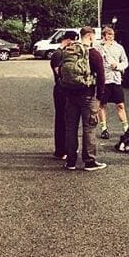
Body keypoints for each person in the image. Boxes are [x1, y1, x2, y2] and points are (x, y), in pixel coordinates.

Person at [62, 26, 107, 171]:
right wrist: (99, 97)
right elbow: (101, 77)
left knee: (71, 128)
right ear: (90, 36)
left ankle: (70, 161)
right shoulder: (94, 54)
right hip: (87, 95)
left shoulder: (70, 51)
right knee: (89, 128)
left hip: (70, 95)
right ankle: (89, 161)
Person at [95, 26, 129, 139]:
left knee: (120, 105)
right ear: (104, 36)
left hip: (116, 80)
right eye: (109, 35)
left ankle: (126, 128)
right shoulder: (98, 47)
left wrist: (118, 66)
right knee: (102, 105)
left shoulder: (119, 47)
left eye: (112, 35)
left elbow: (125, 62)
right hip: (104, 80)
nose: (111, 37)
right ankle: (104, 129)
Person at [50, 30, 78, 160]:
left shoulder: (62, 53)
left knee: (67, 119)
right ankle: (60, 149)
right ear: (68, 40)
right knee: (61, 119)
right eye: (73, 41)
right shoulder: (57, 54)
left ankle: (66, 147)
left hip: (65, 89)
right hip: (61, 90)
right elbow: (59, 72)